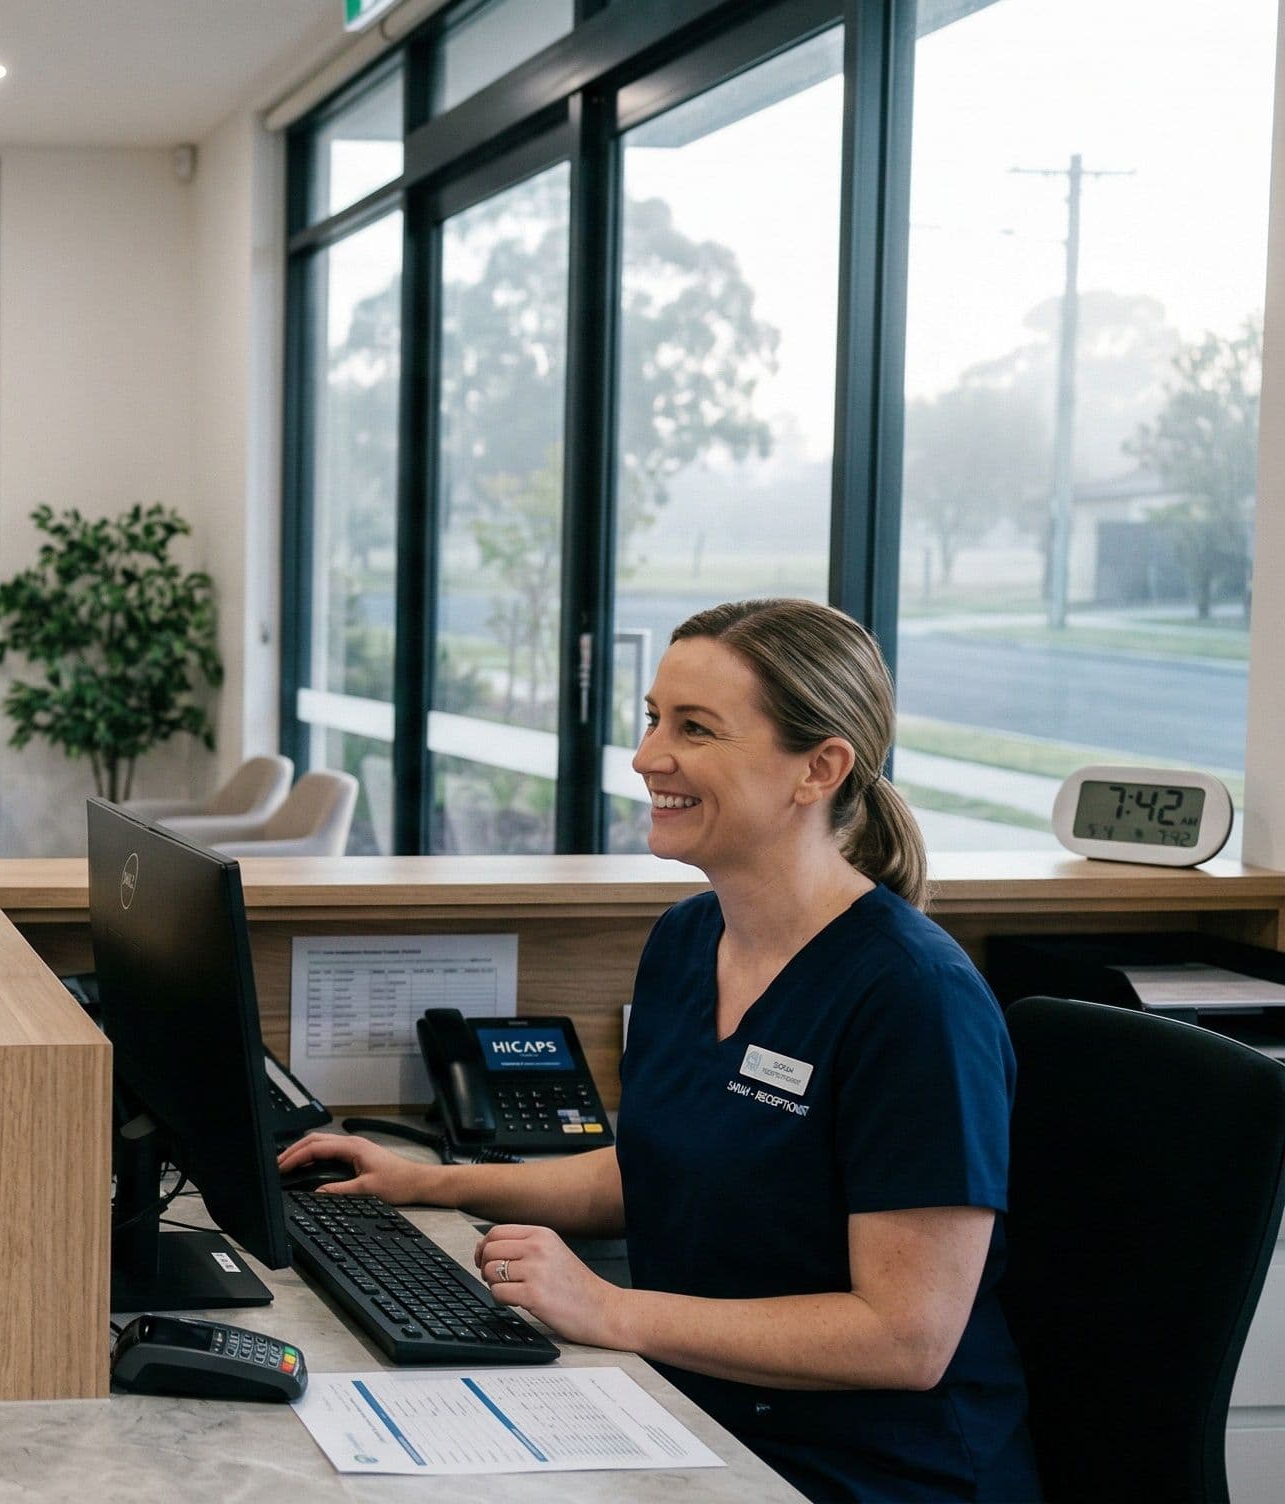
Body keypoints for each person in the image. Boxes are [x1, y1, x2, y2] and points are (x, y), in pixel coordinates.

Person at [277, 598, 1033, 1502]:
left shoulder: (915, 1000)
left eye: (696, 729)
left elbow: (905, 1336)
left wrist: (609, 1309)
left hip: (859, 1468)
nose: (646, 758)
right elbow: (658, 1170)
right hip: (693, 1415)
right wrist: (426, 1180)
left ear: (819, 769)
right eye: (653, 718)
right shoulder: (687, 939)